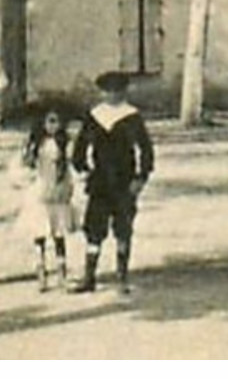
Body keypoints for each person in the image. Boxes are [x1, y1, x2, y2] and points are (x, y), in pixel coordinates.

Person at [70, 72, 154, 294]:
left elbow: (145, 149)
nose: (112, 95)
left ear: (124, 92)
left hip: (124, 181)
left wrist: (141, 177)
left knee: (123, 228)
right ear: (101, 92)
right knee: (94, 228)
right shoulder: (95, 116)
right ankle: (89, 277)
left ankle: (122, 277)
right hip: (100, 182)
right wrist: (84, 171)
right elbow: (79, 149)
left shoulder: (132, 116)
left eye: (116, 90)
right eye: (107, 90)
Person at [15, 105, 75, 291]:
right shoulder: (34, 144)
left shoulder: (65, 143)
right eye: (49, 121)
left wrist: (66, 187)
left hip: (57, 190)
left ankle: (61, 271)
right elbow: (23, 165)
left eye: (56, 122)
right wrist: (28, 176)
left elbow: (69, 166)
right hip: (39, 190)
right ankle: (41, 271)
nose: (53, 126)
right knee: (39, 233)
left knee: (59, 233)